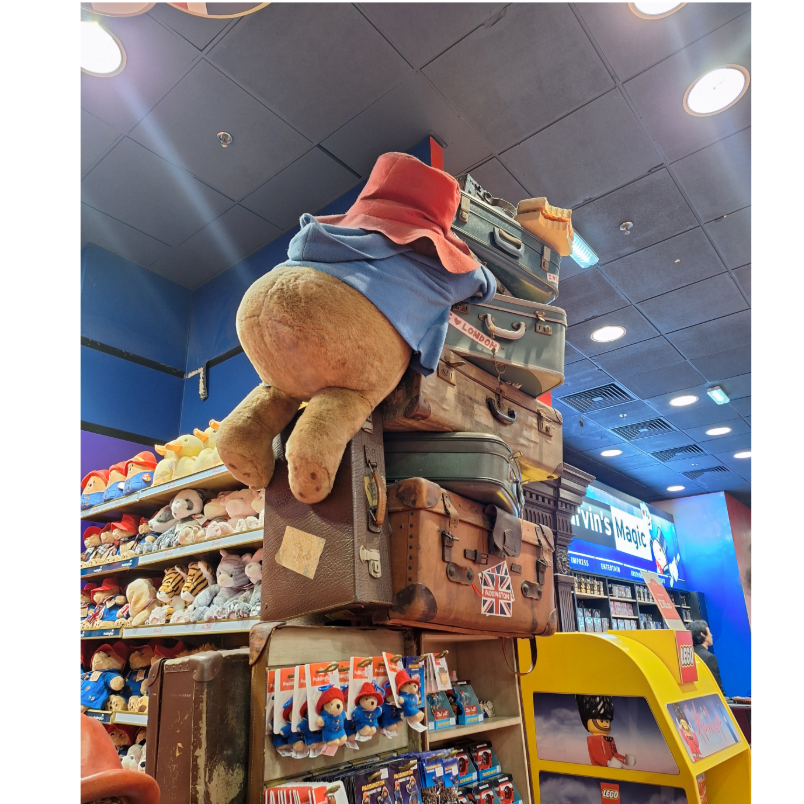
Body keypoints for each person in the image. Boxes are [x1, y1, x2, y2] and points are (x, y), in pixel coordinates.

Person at [689, 620, 724, 692]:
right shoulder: (709, 658)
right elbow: (716, 688)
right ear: (702, 634)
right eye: (709, 632)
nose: (711, 635)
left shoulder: (688, 655)